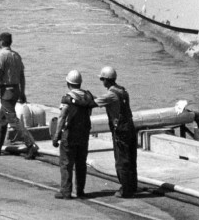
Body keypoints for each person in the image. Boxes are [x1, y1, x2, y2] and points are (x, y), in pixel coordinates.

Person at [0, 32, 39, 159]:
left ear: (2, 42)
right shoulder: (16, 56)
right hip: (15, 90)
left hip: (7, 91)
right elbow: (22, 76)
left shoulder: (1, 55)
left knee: (12, 120)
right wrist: (22, 92)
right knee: (3, 119)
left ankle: (31, 145)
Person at [51, 69, 96, 200]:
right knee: (81, 164)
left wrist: (56, 136)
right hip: (84, 135)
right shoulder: (88, 96)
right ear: (80, 83)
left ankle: (66, 191)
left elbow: (62, 118)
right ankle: (80, 191)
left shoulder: (67, 98)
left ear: (68, 83)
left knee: (66, 163)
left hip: (70, 135)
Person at [95, 66, 137, 198]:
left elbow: (94, 103)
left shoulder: (111, 94)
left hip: (120, 131)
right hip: (130, 128)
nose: (102, 82)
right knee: (131, 159)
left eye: (102, 79)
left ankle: (125, 190)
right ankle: (132, 186)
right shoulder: (123, 91)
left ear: (106, 80)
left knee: (121, 160)